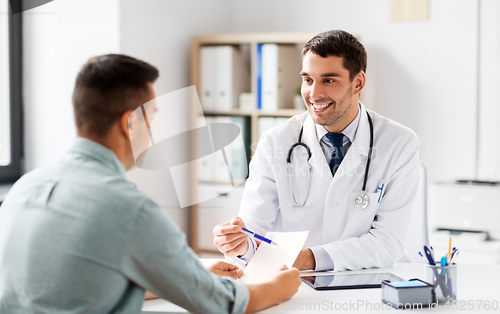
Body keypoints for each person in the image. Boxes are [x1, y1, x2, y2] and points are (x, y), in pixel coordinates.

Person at [0, 54, 300, 313]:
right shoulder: (128, 208)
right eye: (150, 119)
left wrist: (187, 275)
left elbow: (76, 285)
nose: (151, 132)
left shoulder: (25, 187)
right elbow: (220, 303)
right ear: (129, 123)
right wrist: (278, 287)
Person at [213, 30, 420, 272]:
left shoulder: (399, 143)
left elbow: (388, 242)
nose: (314, 94)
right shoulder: (276, 141)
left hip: (363, 284)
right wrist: (239, 243)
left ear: (358, 83)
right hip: (293, 283)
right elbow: (254, 227)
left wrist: (309, 258)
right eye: (308, 80)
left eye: (328, 80)